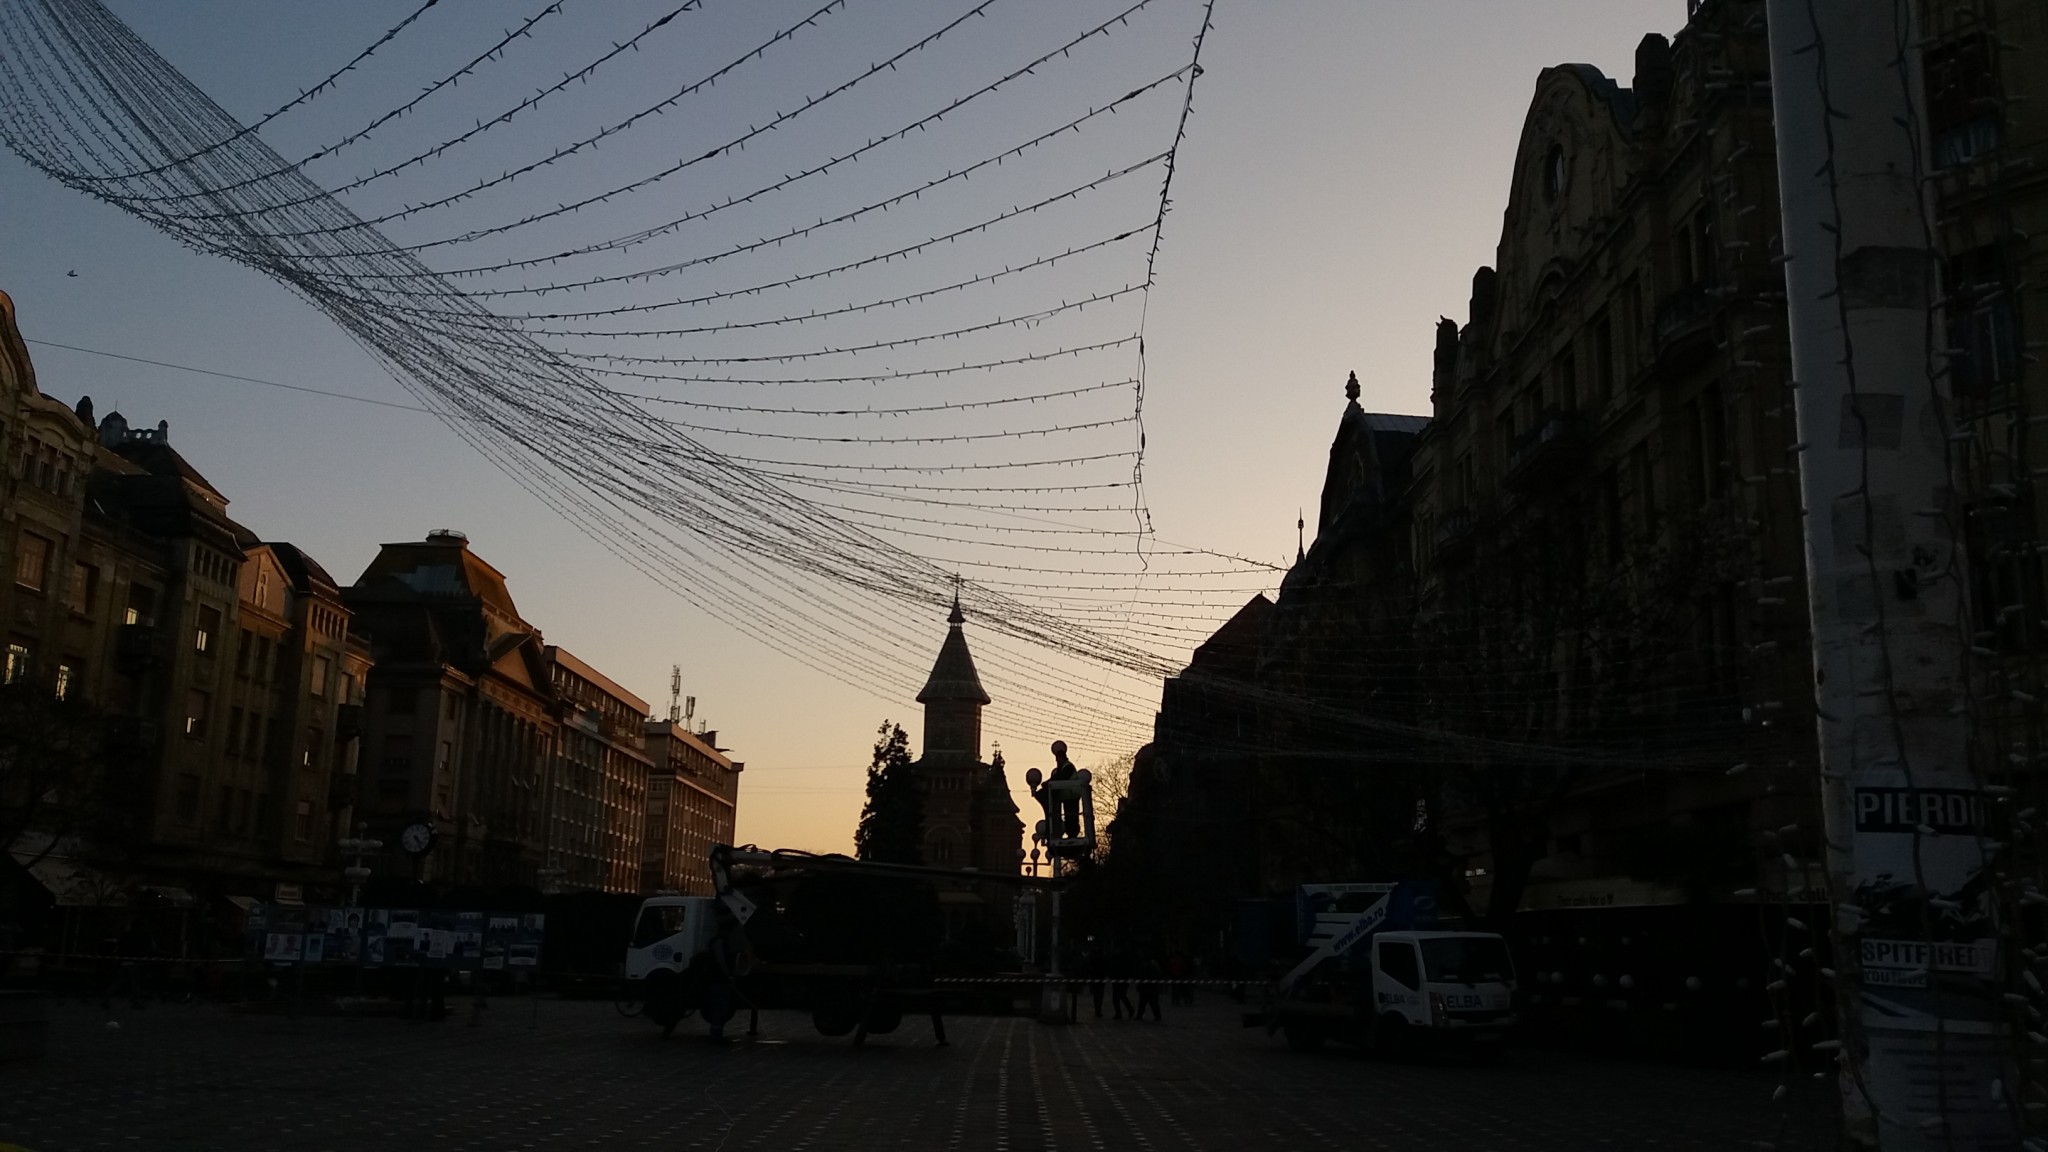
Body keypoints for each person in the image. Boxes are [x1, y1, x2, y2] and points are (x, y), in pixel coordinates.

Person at [1135, 955, 1163, 1022]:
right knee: (1151, 1003)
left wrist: (1139, 985)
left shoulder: (1146, 968)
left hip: (1148, 988)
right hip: (1150, 988)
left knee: (1146, 1003)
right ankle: (1157, 1016)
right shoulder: (1152, 967)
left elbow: (1141, 977)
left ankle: (1140, 1016)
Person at [1110, 948, 1135, 1020]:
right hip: (1120, 980)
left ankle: (1120, 1013)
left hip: (1120, 980)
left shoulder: (1119, 960)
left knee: (1118, 998)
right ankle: (1128, 1010)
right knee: (1121, 996)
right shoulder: (1124, 960)